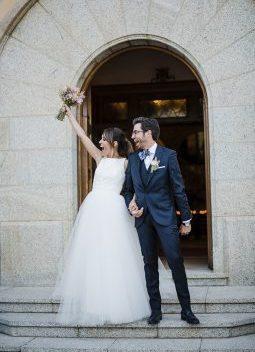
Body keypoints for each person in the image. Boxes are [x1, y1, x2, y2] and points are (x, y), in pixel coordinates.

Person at [52, 105, 153, 325]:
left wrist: (135, 204)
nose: (99, 141)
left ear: (114, 143)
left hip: (115, 212)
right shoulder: (99, 158)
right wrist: (70, 116)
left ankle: (117, 303)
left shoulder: (128, 162)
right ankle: (93, 303)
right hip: (94, 210)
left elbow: (134, 188)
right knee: (93, 254)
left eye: (103, 138)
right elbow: (82, 136)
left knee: (114, 254)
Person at [123, 117, 200, 325]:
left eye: (136, 132)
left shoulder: (168, 156)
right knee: (149, 264)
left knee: (175, 261)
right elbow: (128, 190)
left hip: (165, 218)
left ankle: (186, 310)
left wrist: (186, 219)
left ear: (148, 133)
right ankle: (155, 311)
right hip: (142, 220)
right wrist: (130, 206)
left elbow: (178, 189)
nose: (133, 136)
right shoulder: (132, 159)